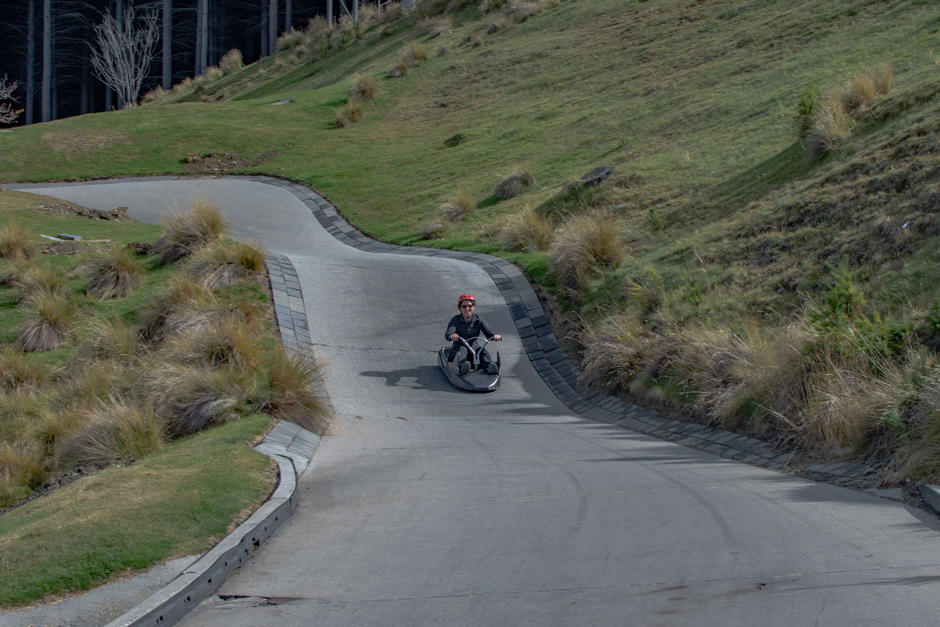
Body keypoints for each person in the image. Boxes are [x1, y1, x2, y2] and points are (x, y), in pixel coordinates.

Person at [445, 293, 502, 375]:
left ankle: (489, 367)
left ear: (473, 307)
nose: (467, 308)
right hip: (459, 346)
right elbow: (448, 334)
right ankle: (462, 368)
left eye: (470, 306)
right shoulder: (456, 320)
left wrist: (495, 336)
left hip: (473, 346)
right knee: (462, 351)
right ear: (460, 308)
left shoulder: (479, 320)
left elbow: (489, 334)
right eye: (464, 306)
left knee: (482, 351)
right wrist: (452, 336)